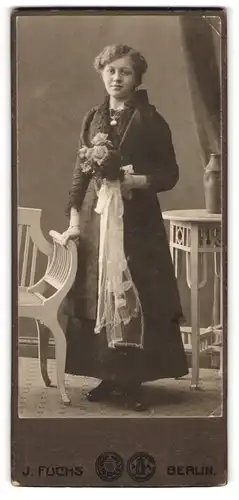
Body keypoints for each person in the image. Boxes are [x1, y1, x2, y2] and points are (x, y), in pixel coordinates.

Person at [61, 44, 188, 411]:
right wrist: (73, 222)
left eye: (125, 72)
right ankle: (106, 375)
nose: (117, 78)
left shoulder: (150, 120)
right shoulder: (93, 117)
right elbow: (79, 174)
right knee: (99, 293)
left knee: (135, 295)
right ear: (102, 73)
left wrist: (138, 182)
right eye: (111, 71)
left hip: (137, 225)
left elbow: (170, 175)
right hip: (96, 221)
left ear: (137, 79)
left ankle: (133, 381)